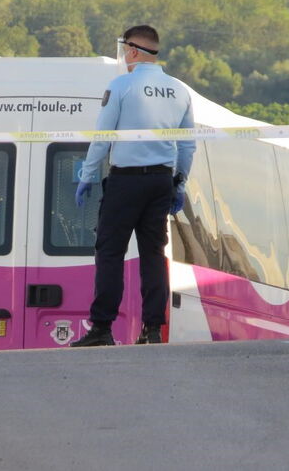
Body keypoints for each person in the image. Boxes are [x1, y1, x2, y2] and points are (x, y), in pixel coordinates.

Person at [71, 25, 195, 347]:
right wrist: (179, 184)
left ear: (134, 51)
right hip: (160, 181)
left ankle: (101, 328)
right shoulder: (180, 91)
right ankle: (152, 329)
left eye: (125, 49)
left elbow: (103, 138)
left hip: (126, 181)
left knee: (110, 253)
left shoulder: (121, 86)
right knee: (153, 256)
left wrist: (86, 175)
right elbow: (187, 146)